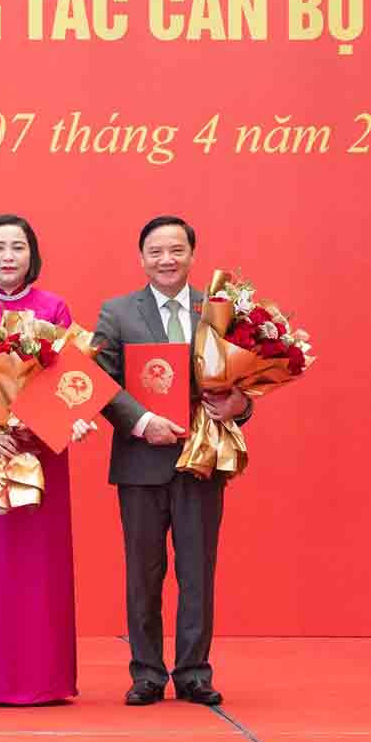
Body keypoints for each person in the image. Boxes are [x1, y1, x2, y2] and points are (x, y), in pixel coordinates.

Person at [92, 215, 252, 707]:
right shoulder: (117, 313)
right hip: (140, 461)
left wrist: (239, 405)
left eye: (176, 250)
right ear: (141, 258)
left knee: (197, 569)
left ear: (191, 255)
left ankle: (193, 672)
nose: (167, 260)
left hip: (202, 459)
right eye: (157, 252)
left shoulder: (220, 311)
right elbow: (101, 382)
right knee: (143, 571)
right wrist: (142, 423)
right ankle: (145, 672)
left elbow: (245, 381)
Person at [0, 214, 87, 706]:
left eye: (18, 247)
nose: (8, 256)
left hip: (40, 450)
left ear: (32, 255)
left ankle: (43, 678)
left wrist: (37, 421)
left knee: (40, 565)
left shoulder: (54, 308)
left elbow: (69, 376)